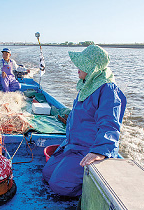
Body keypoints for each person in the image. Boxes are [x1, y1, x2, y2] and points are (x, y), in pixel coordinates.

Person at [42, 45, 127, 197]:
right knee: (47, 174)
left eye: (82, 64)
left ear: (92, 67)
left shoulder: (107, 89)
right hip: (73, 144)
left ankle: (93, 192)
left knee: (59, 185)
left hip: (89, 148)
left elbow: (110, 123)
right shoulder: (87, 85)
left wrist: (100, 150)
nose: (77, 67)